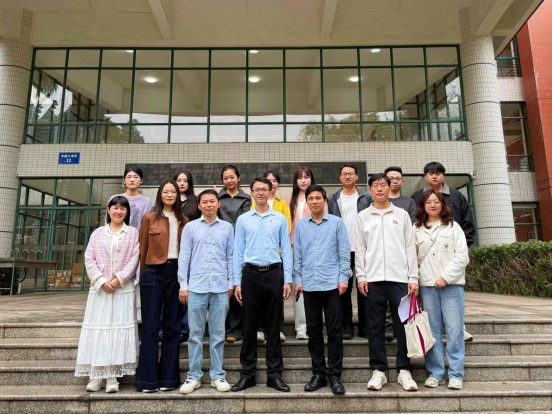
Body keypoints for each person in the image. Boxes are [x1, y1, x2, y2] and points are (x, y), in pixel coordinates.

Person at [355, 173, 419, 392]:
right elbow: (360, 249)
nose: (380, 188)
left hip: (400, 279)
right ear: (370, 190)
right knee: (375, 327)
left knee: (403, 326)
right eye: (376, 185)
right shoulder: (363, 216)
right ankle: (378, 370)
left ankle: (404, 370)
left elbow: (410, 247)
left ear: (390, 187)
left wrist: (413, 277)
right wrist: (361, 276)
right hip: (372, 280)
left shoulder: (401, 215)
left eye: (383, 184)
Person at [231, 177, 293, 393]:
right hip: (250, 274)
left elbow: (286, 250)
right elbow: (238, 251)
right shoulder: (243, 220)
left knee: (274, 326)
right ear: (251, 193)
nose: (260, 193)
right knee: (249, 326)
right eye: (256, 189)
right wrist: (237, 282)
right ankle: (247, 374)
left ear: (270, 192)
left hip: (274, 273)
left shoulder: (279, 218)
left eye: (264, 189)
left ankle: (274, 375)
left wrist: (287, 280)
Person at [76, 196, 139, 394]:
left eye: (122, 208)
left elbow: (135, 259)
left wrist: (118, 279)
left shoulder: (133, 233)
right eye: (115, 208)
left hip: (122, 290)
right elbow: (89, 258)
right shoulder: (98, 233)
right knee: (99, 330)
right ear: (108, 210)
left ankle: (112, 375)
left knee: (116, 331)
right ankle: (96, 375)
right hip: (100, 291)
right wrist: (101, 281)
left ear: (127, 212)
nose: (118, 211)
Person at [294, 185, 351, 395]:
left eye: (318, 198)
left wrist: (343, 277)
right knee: (314, 330)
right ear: (307, 202)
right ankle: (318, 373)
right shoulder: (301, 225)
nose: (314, 201)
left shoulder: (336, 223)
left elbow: (344, 252)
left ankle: (335, 374)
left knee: (335, 330)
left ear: (325, 201)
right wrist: (298, 279)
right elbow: (298, 254)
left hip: (333, 284)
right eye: (311, 198)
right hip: (309, 284)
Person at [411, 161, 475, 341]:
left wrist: (467, 245)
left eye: (438, 173)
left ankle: (459, 328)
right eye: (430, 173)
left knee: (454, 296)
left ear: (443, 176)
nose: (434, 176)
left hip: (452, 248)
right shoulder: (417, 196)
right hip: (427, 252)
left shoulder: (456, 195)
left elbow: (467, 220)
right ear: (425, 176)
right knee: (431, 308)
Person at [178, 189, 234, 394]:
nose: (209, 205)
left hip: (220, 286)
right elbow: (184, 256)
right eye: (205, 202)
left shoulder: (227, 228)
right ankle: (194, 376)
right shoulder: (190, 227)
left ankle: (217, 375)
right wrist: (183, 285)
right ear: (199, 205)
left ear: (218, 204)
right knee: (195, 334)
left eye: (212, 201)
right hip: (196, 287)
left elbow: (230, 256)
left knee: (218, 334)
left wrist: (231, 283)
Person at [134, 180, 188, 393]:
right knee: (150, 325)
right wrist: (142, 276)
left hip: (177, 273)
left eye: (173, 191)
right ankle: (147, 380)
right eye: (165, 191)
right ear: (160, 195)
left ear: (178, 195)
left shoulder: (184, 220)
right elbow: (142, 249)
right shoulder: (150, 218)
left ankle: (169, 379)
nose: (169, 194)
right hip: (153, 273)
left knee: (173, 326)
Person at [415, 189, 469, 390]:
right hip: (427, 287)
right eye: (428, 202)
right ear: (423, 206)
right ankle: (436, 373)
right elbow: (412, 258)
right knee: (432, 331)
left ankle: (456, 374)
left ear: (442, 205)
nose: (433, 205)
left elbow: (462, 256)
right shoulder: (416, 229)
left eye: (436, 201)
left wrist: (445, 277)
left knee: (455, 330)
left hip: (452, 286)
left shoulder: (453, 227)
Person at [327, 163, 373, 340]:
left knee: (364, 288)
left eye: (351, 174)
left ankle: (365, 325)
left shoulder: (366, 197)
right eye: (344, 174)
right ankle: (346, 326)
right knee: (343, 290)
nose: (347, 176)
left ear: (357, 177)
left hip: (362, 249)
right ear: (340, 177)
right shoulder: (333, 199)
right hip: (341, 250)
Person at [157, 170, 200, 345]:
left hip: (188, 253)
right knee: (164, 297)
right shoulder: (163, 206)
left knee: (184, 293)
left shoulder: (195, 203)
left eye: (185, 180)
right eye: (179, 180)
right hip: (166, 255)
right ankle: (162, 329)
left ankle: (183, 328)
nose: (182, 183)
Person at [107, 166, 153, 321]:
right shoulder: (115, 198)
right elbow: (108, 222)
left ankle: (134, 317)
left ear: (141, 181)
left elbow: (146, 225)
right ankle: (115, 315)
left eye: (135, 177)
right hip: (118, 243)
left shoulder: (146, 201)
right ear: (124, 181)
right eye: (129, 177)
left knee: (135, 280)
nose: (132, 180)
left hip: (137, 245)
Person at [286, 166, 327, 340]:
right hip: (294, 247)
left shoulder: (319, 199)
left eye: (307, 177)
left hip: (315, 248)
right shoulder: (289, 200)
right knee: (299, 285)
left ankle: (314, 325)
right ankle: (301, 328)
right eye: (299, 177)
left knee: (314, 287)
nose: (303, 180)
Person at [253, 170, 291, 343]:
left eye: (274, 181)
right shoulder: (254, 205)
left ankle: (278, 329)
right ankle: (261, 328)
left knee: (277, 297)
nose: (271, 183)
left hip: (277, 256)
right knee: (260, 296)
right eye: (268, 180)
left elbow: (286, 228)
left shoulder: (282, 204)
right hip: (259, 257)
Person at [380, 166, 416, 342]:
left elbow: (412, 227)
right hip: (381, 255)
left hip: (401, 253)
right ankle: (388, 325)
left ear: (402, 181)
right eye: (390, 178)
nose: (394, 181)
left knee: (401, 294)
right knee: (384, 294)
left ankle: (402, 325)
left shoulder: (409, 203)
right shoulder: (378, 201)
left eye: (397, 178)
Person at [216, 165, 252, 343]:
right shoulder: (218, 198)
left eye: (232, 177)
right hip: (220, 246)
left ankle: (236, 328)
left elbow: (243, 222)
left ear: (238, 178)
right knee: (223, 287)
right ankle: (221, 326)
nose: (229, 181)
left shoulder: (246, 199)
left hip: (239, 245)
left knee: (238, 285)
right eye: (225, 178)